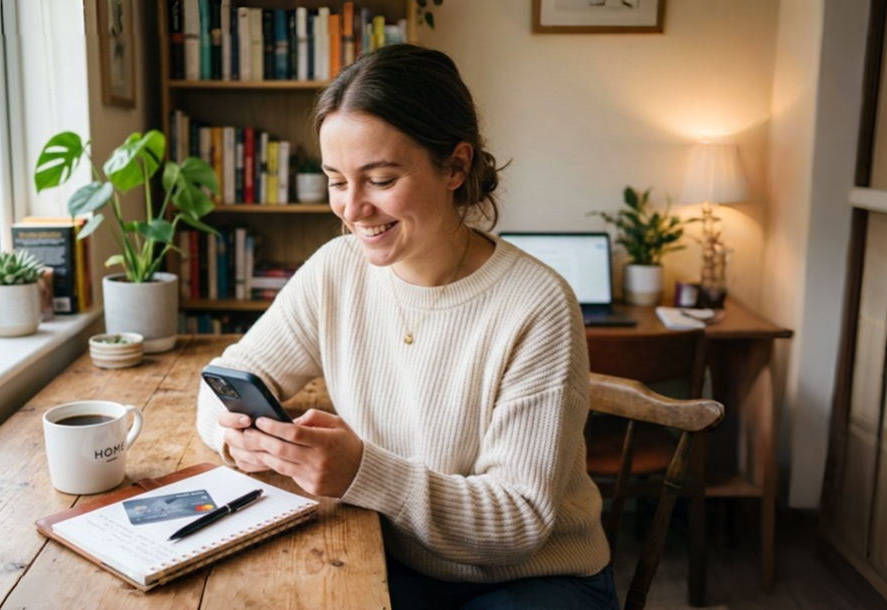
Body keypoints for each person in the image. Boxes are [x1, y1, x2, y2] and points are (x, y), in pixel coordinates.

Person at [196, 44, 616, 610]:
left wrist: (361, 471)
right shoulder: (336, 269)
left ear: (456, 167)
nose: (352, 209)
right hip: (394, 557)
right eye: (336, 181)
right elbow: (227, 379)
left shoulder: (537, 304)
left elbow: (519, 522)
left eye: (380, 179)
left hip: (534, 580)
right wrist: (238, 438)